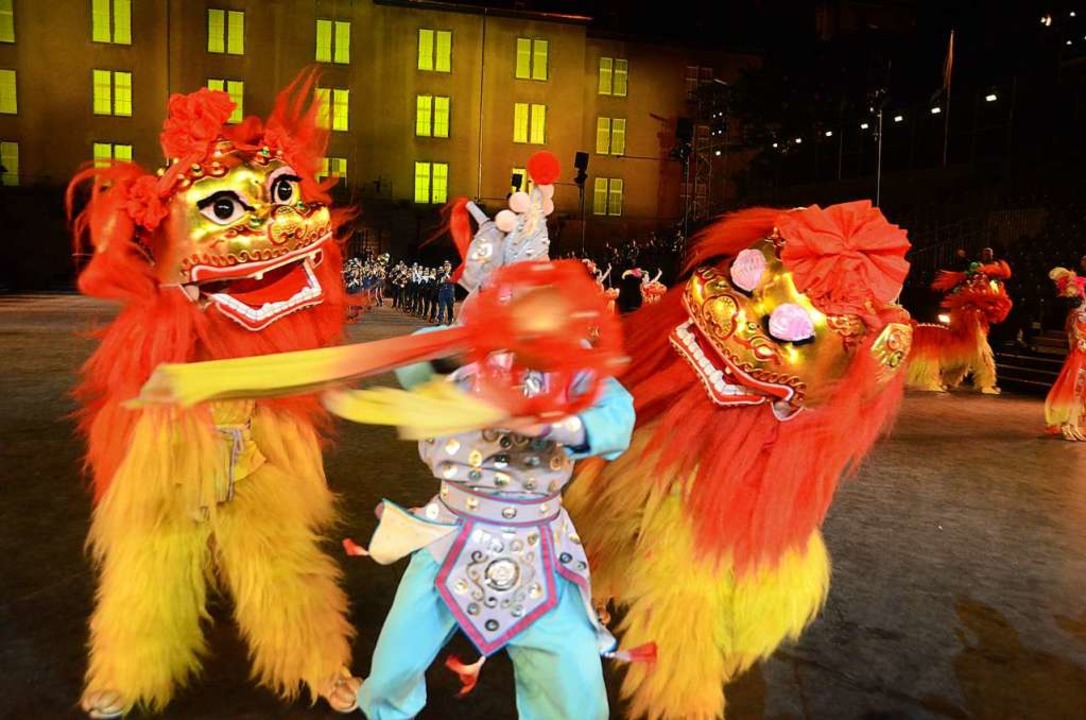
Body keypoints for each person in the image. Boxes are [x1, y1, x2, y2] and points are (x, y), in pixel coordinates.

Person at [67, 72, 360, 719]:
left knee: (282, 560)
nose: (273, 223)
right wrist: (176, 305)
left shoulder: (283, 309)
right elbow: (139, 361)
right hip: (173, 453)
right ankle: (126, 671)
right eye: (226, 208)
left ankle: (319, 663)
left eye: (283, 195)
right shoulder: (159, 303)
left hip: (254, 447)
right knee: (152, 564)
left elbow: (300, 335)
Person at [355, 152, 637, 720]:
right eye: (497, 291)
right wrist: (461, 359)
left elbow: (616, 419)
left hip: (538, 540)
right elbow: (412, 376)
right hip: (449, 530)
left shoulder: (573, 361)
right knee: (393, 664)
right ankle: (387, 710)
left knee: (572, 673)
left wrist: (555, 420)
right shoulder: (448, 348)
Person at [1044, 266, 1086, 441]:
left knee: (1081, 391)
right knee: (1075, 389)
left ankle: (1075, 423)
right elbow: (1076, 338)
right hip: (1079, 357)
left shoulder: (1079, 314)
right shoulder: (1075, 316)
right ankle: (1069, 423)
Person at [435, 259, 456, 325]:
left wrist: (448, 276)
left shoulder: (453, 273)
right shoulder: (440, 274)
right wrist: (441, 280)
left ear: (451, 267)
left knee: (450, 307)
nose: (446, 267)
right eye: (445, 266)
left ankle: (450, 319)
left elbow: (454, 281)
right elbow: (437, 283)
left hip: (450, 292)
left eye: (448, 266)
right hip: (442, 292)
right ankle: (440, 320)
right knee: (441, 307)